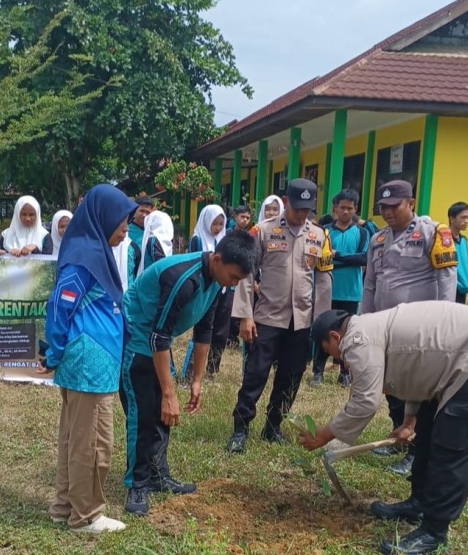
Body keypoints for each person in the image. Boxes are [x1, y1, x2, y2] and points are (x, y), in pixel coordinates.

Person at [303, 303, 468, 555]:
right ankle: (419, 502)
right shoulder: (371, 329)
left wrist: (324, 434)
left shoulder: (357, 338)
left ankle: (434, 531)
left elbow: (365, 401)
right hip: (460, 357)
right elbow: (417, 373)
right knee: (427, 433)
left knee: (452, 443)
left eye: (330, 352)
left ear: (335, 336)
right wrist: (409, 422)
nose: (337, 359)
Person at [120, 231, 259, 515]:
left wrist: (197, 380)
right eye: (233, 277)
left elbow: (204, 329)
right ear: (217, 260)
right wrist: (170, 393)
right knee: (144, 414)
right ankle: (138, 484)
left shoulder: (217, 281)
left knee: (163, 414)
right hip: (136, 340)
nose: (234, 284)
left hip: (158, 342)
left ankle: (159, 476)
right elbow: (158, 337)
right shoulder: (183, 278)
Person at [38, 184, 137, 534]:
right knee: (94, 442)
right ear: (101, 218)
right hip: (87, 364)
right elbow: (59, 306)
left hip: (94, 363)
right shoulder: (84, 258)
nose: (126, 228)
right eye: (121, 221)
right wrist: (54, 350)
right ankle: (87, 515)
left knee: (75, 438)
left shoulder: (94, 251)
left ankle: (65, 506)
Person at [226, 178, 333, 454]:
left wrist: (322, 322)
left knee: (291, 376)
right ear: (286, 202)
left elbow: (323, 279)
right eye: (297, 208)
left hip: (301, 320)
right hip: (267, 317)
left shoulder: (319, 235)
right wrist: (245, 315)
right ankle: (240, 428)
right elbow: (247, 273)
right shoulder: (263, 231)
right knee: (255, 374)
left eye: (307, 210)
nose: (302, 214)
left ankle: (273, 426)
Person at [362, 180, 458, 475]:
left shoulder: (433, 232)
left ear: (411, 203)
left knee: (421, 389)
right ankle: (398, 434)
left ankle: (417, 451)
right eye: (383, 207)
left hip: (421, 332)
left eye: (394, 206)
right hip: (387, 328)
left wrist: (444, 322)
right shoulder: (378, 240)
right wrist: (364, 323)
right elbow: (370, 285)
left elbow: (446, 279)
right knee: (393, 385)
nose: (388, 212)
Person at [311, 189, 369, 388]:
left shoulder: (362, 232)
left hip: (352, 292)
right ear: (334, 208)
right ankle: (317, 371)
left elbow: (363, 258)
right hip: (328, 291)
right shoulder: (324, 231)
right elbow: (321, 258)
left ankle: (345, 372)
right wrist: (346, 259)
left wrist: (337, 256)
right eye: (342, 207)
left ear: (355, 210)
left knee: (349, 334)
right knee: (323, 331)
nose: (346, 212)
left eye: (350, 208)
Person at [187, 204, 228, 378]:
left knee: (216, 329)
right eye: (214, 223)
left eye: (221, 223)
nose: (217, 228)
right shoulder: (197, 239)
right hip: (203, 290)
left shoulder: (222, 240)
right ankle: (189, 371)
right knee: (201, 328)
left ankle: (210, 368)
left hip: (219, 288)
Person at [448, 202, 468, 303]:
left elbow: (466, 264)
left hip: (463, 289)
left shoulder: (464, 240)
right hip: (450, 288)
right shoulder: (443, 240)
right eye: (463, 217)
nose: (466, 221)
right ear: (452, 218)